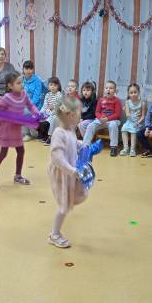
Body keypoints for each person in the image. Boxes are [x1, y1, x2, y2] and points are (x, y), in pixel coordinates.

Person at [0, 71, 38, 189]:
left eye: (22, 82)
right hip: (6, 131)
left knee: (21, 151)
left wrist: (37, 113)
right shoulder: (7, 98)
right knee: (3, 153)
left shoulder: (24, 94)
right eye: (18, 83)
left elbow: (30, 105)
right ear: (10, 86)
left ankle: (18, 176)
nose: (22, 85)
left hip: (17, 130)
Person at [47, 96, 87, 248]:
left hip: (69, 172)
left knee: (67, 201)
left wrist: (81, 145)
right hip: (61, 174)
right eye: (79, 113)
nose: (80, 116)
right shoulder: (59, 133)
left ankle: (55, 232)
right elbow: (57, 158)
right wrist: (72, 171)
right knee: (63, 205)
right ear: (71, 115)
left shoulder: (70, 130)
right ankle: (54, 234)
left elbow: (72, 143)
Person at [82, 80, 122, 157]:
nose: (108, 90)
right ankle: (85, 146)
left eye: (111, 88)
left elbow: (117, 114)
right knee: (91, 126)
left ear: (115, 91)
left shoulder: (117, 101)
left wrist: (107, 119)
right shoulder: (101, 100)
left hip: (112, 120)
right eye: (106, 88)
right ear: (104, 90)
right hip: (101, 120)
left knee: (113, 125)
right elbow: (97, 112)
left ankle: (113, 147)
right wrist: (100, 118)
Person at [22, 60, 46, 141]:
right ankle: (25, 132)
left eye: (30, 68)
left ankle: (29, 134)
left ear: (33, 70)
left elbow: (36, 98)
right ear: (23, 69)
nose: (28, 71)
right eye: (26, 68)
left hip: (36, 105)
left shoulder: (37, 81)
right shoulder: (22, 79)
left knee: (25, 111)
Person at [120, 83, 146, 157]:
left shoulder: (142, 103)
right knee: (123, 128)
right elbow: (127, 114)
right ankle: (126, 148)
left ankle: (132, 149)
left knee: (133, 130)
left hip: (138, 122)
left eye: (135, 92)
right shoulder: (127, 102)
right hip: (129, 121)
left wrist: (138, 122)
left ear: (138, 92)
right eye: (131, 93)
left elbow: (143, 116)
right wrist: (126, 110)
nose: (133, 94)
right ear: (128, 94)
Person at [39, 76, 63, 145]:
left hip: (56, 114)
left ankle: (51, 137)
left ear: (58, 86)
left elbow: (57, 107)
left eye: (55, 85)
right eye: (51, 85)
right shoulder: (48, 94)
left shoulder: (59, 95)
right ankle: (44, 135)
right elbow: (45, 106)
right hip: (48, 112)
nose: (52, 87)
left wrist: (49, 113)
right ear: (48, 86)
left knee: (53, 119)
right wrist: (41, 113)